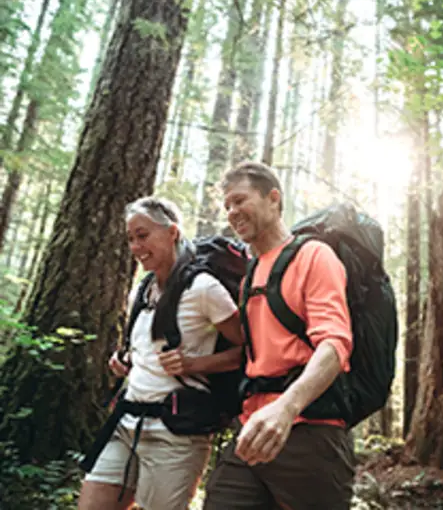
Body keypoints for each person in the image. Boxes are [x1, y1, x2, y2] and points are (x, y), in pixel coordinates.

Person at [203, 161, 356, 510]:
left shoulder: (314, 256)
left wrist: (286, 408)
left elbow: (335, 343)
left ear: (274, 199)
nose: (232, 212)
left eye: (240, 200)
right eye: (227, 205)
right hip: (252, 428)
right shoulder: (250, 275)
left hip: (311, 430)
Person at [78, 196, 243, 510]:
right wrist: (124, 361)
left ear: (172, 233)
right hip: (125, 422)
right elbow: (144, 350)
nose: (136, 247)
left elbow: (248, 350)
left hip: (176, 433)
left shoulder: (204, 288)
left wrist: (196, 363)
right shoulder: (141, 290)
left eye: (143, 236)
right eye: (130, 239)